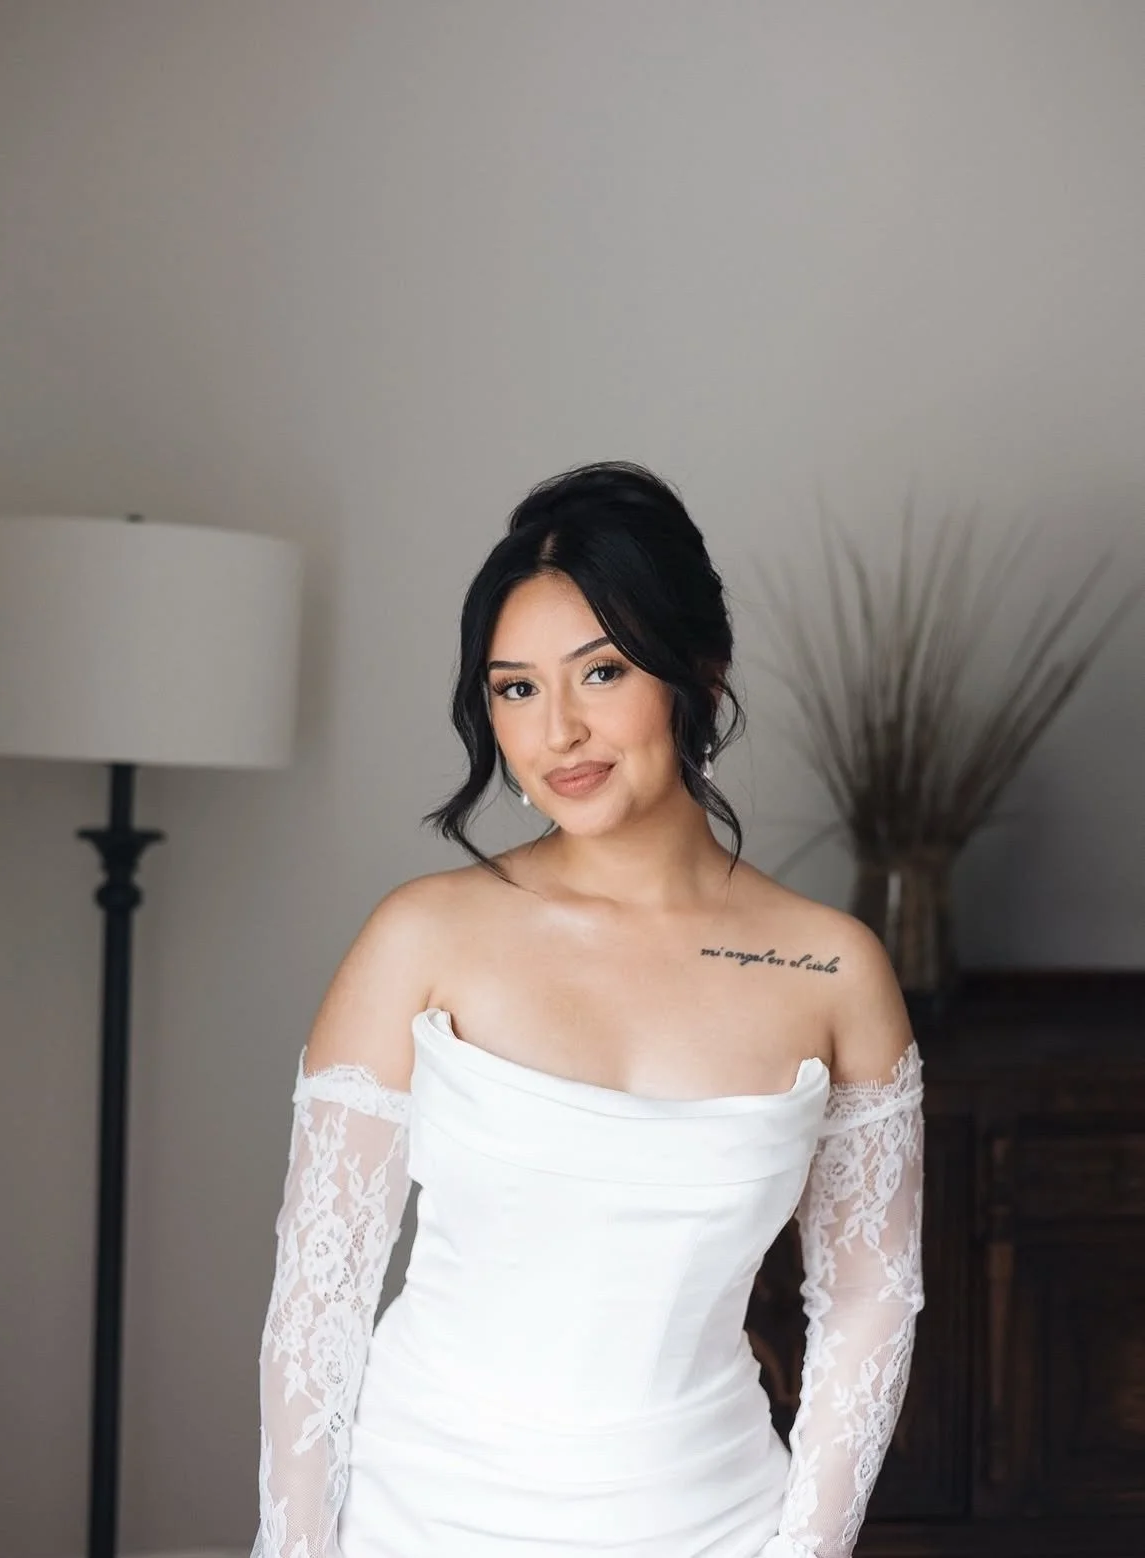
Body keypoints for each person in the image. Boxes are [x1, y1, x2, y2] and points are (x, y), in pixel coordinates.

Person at [249, 461, 926, 1558]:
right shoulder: (421, 938)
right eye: (516, 688)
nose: (558, 729)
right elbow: (317, 1305)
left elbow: (867, 1303)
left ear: (697, 672)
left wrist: (804, 1547)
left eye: (600, 672)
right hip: (421, 1515)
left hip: (712, 1520)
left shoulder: (832, 970)